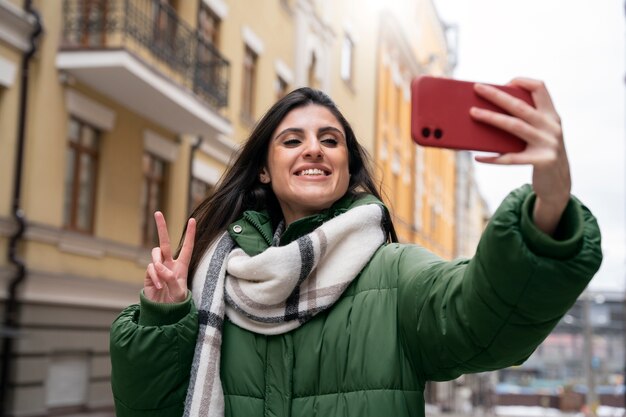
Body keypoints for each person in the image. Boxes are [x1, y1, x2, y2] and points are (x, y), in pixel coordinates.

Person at [110, 79, 602, 417]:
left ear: (347, 169)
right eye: (291, 140)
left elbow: (487, 317)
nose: (314, 149)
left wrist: (548, 207)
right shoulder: (215, 281)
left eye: (330, 139)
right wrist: (165, 320)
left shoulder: (395, 275)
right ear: (263, 169)